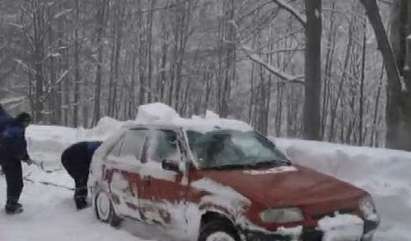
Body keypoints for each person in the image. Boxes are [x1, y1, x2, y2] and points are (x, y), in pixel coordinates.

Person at [0, 112, 32, 214]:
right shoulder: (15, 129)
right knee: (16, 183)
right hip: (9, 159)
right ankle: (11, 206)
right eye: (28, 122)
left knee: (15, 182)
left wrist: (25, 157)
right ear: (24, 121)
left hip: (9, 158)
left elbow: (21, 144)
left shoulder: (15, 127)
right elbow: (14, 145)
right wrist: (23, 156)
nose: (28, 125)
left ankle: (12, 203)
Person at [61, 141, 102, 210]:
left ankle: (81, 197)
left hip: (77, 156)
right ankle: (80, 203)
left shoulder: (103, 147)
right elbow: (95, 167)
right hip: (70, 157)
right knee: (81, 178)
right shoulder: (99, 151)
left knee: (83, 177)